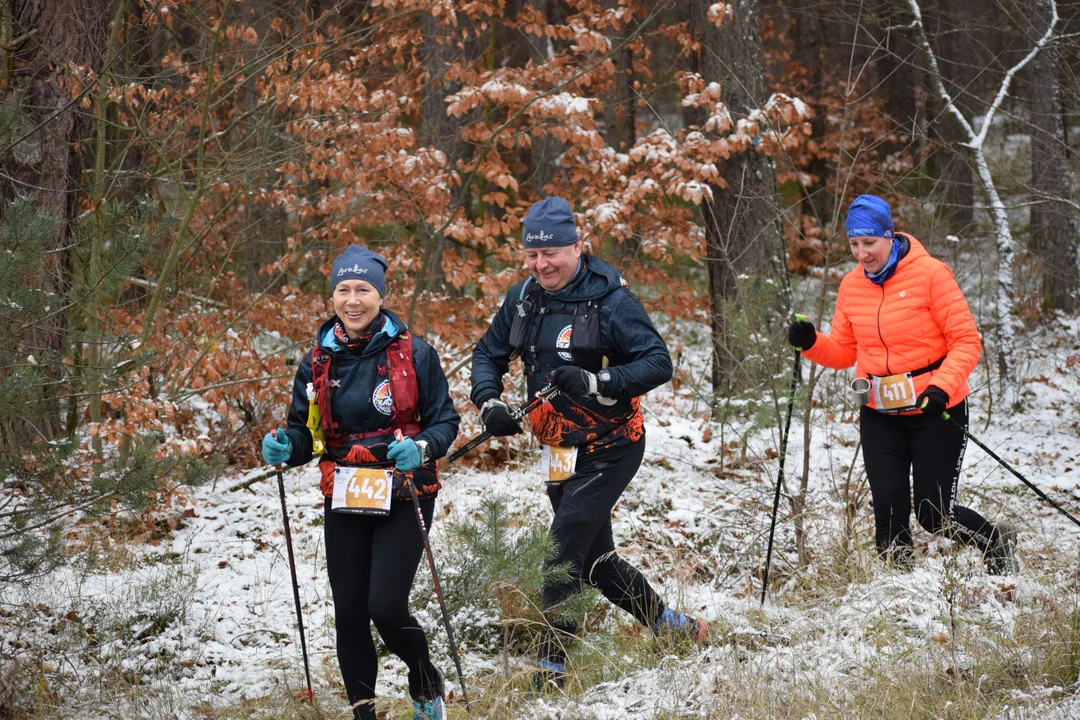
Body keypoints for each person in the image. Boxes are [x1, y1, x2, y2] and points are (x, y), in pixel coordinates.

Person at [470, 196, 707, 689]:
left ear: (578, 246)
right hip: (559, 450)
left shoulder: (611, 300)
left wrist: (598, 381)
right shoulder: (523, 298)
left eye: (552, 252)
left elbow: (657, 363)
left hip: (613, 443)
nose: (542, 264)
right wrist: (490, 403)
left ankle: (550, 672)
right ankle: (673, 627)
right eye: (533, 255)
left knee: (561, 551)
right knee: (595, 562)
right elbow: (488, 355)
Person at [261, 245, 460, 720]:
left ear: (380, 295)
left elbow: (445, 423)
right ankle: (364, 713)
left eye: (364, 290)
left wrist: (423, 448)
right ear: (333, 296)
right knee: (350, 611)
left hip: (406, 489)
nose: (353, 300)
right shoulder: (316, 363)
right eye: (344, 290)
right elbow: (306, 433)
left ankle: (426, 681)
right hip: (346, 491)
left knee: (386, 607)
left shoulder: (416, 353)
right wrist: (286, 446)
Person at [788, 194, 1017, 573]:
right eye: (854, 244)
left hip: (935, 408)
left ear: (889, 236)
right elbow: (846, 351)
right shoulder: (851, 286)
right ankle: (900, 590)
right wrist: (811, 342)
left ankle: (995, 541)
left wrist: (942, 388)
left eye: (869, 243)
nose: (862, 253)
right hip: (880, 411)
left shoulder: (930, 274)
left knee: (933, 512)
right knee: (888, 510)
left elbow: (966, 340)